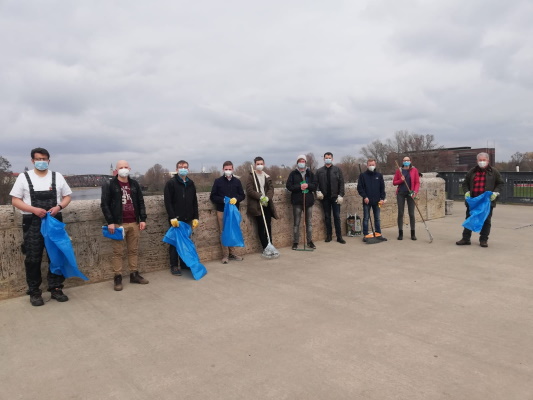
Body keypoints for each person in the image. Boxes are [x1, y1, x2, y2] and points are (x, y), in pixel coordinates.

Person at [10, 147, 72, 306]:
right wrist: (33, 210)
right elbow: (15, 200)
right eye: (38, 159)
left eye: (44, 159)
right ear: (32, 161)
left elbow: (67, 197)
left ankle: (56, 287)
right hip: (32, 221)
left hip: (54, 220)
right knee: (33, 258)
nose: (41, 162)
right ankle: (34, 291)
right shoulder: (23, 178)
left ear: (49, 160)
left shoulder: (57, 177)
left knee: (56, 256)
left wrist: (59, 207)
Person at [101, 160, 149, 291]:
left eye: (126, 167)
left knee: (133, 250)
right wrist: (110, 221)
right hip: (118, 224)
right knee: (118, 252)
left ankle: (134, 274)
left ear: (130, 168)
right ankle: (118, 277)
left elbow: (140, 202)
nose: (123, 169)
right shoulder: (110, 184)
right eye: (121, 167)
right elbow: (104, 204)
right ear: (116, 170)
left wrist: (143, 218)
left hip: (134, 222)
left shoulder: (134, 184)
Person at [456, 152, 504, 248]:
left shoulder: (494, 172)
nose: (482, 162)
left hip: (487, 201)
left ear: (488, 161)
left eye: (484, 160)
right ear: (477, 161)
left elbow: (500, 183)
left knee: (486, 220)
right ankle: (466, 238)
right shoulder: (472, 171)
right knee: (469, 218)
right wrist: (466, 192)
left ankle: (483, 240)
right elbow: (465, 183)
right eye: (480, 160)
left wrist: (495, 193)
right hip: (474, 201)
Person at [164, 160, 199, 276]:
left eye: (185, 167)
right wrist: (172, 217)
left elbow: (194, 201)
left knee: (186, 242)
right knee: (174, 243)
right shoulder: (171, 183)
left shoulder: (191, 183)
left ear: (188, 169)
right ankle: (174, 265)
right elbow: (168, 202)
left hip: (188, 218)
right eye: (180, 167)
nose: (182, 169)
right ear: (177, 169)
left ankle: (184, 263)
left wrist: (196, 217)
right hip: (176, 220)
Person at [210, 161, 246, 264]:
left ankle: (233, 253)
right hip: (222, 210)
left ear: (233, 169)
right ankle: (225, 255)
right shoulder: (218, 181)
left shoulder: (237, 182)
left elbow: (242, 195)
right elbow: (213, 196)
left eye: (230, 169)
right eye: (226, 169)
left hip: (234, 211)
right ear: (223, 170)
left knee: (233, 231)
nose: (228, 171)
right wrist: (223, 200)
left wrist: (236, 199)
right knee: (224, 232)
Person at [246, 156, 279, 250]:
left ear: (263, 164)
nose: (260, 165)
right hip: (257, 205)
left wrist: (267, 197)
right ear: (255, 165)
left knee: (268, 225)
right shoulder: (251, 176)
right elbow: (249, 190)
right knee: (261, 225)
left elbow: (271, 188)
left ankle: (270, 244)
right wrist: (260, 196)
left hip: (266, 203)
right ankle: (265, 247)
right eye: (258, 164)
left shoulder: (267, 176)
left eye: (261, 164)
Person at [286, 154, 317, 250]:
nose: (302, 163)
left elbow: (315, 185)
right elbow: (289, 186)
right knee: (297, 223)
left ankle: (309, 241)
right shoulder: (293, 174)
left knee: (309, 223)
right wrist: (299, 187)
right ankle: (295, 242)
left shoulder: (310, 173)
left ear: (305, 162)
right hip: (297, 201)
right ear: (297, 162)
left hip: (308, 201)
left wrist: (308, 185)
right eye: (300, 161)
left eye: (303, 161)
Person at [315, 152, 346, 244]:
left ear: (332, 159)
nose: (327, 159)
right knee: (327, 217)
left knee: (337, 217)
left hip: (335, 197)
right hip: (325, 198)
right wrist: (318, 191)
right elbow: (316, 183)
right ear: (324, 159)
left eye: (329, 158)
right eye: (326, 158)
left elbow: (341, 183)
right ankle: (329, 235)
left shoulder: (337, 170)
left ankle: (339, 236)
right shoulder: (319, 171)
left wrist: (341, 195)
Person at [357, 158, 387, 241]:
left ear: (375, 165)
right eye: (370, 165)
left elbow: (382, 188)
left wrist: (382, 198)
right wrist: (364, 196)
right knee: (366, 218)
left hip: (377, 200)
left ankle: (378, 233)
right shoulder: (363, 176)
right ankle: (366, 235)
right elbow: (360, 188)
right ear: (367, 165)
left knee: (377, 218)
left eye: (373, 165)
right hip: (367, 200)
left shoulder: (379, 175)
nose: (371, 166)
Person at [393, 155, 420, 240]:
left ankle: (413, 233)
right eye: (404, 160)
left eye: (407, 160)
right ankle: (400, 233)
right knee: (400, 213)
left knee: (411, 213)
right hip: (400, 193)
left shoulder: (414, 170)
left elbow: (417, 182)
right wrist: (401, 180)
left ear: (410, 161)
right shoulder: (399, 170)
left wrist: (415, 192)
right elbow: (394, 182)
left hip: (410, 193)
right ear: (402, 161)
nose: (406, 162)